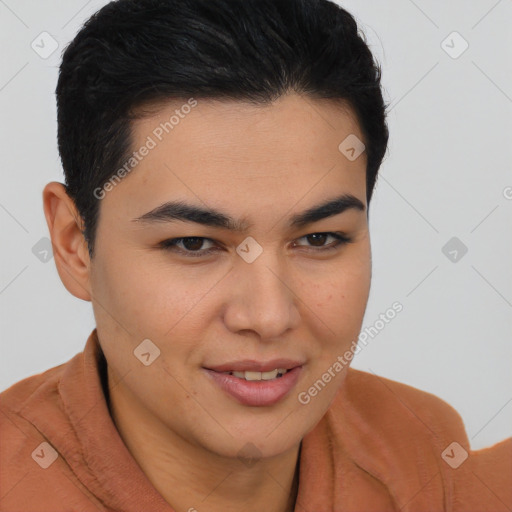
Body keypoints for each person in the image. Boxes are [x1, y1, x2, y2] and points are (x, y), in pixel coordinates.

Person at [0, 0, 510, 510]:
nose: (268, 316)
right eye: (193, 244)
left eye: (319, 239)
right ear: (74, 245)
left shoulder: (426, 459)